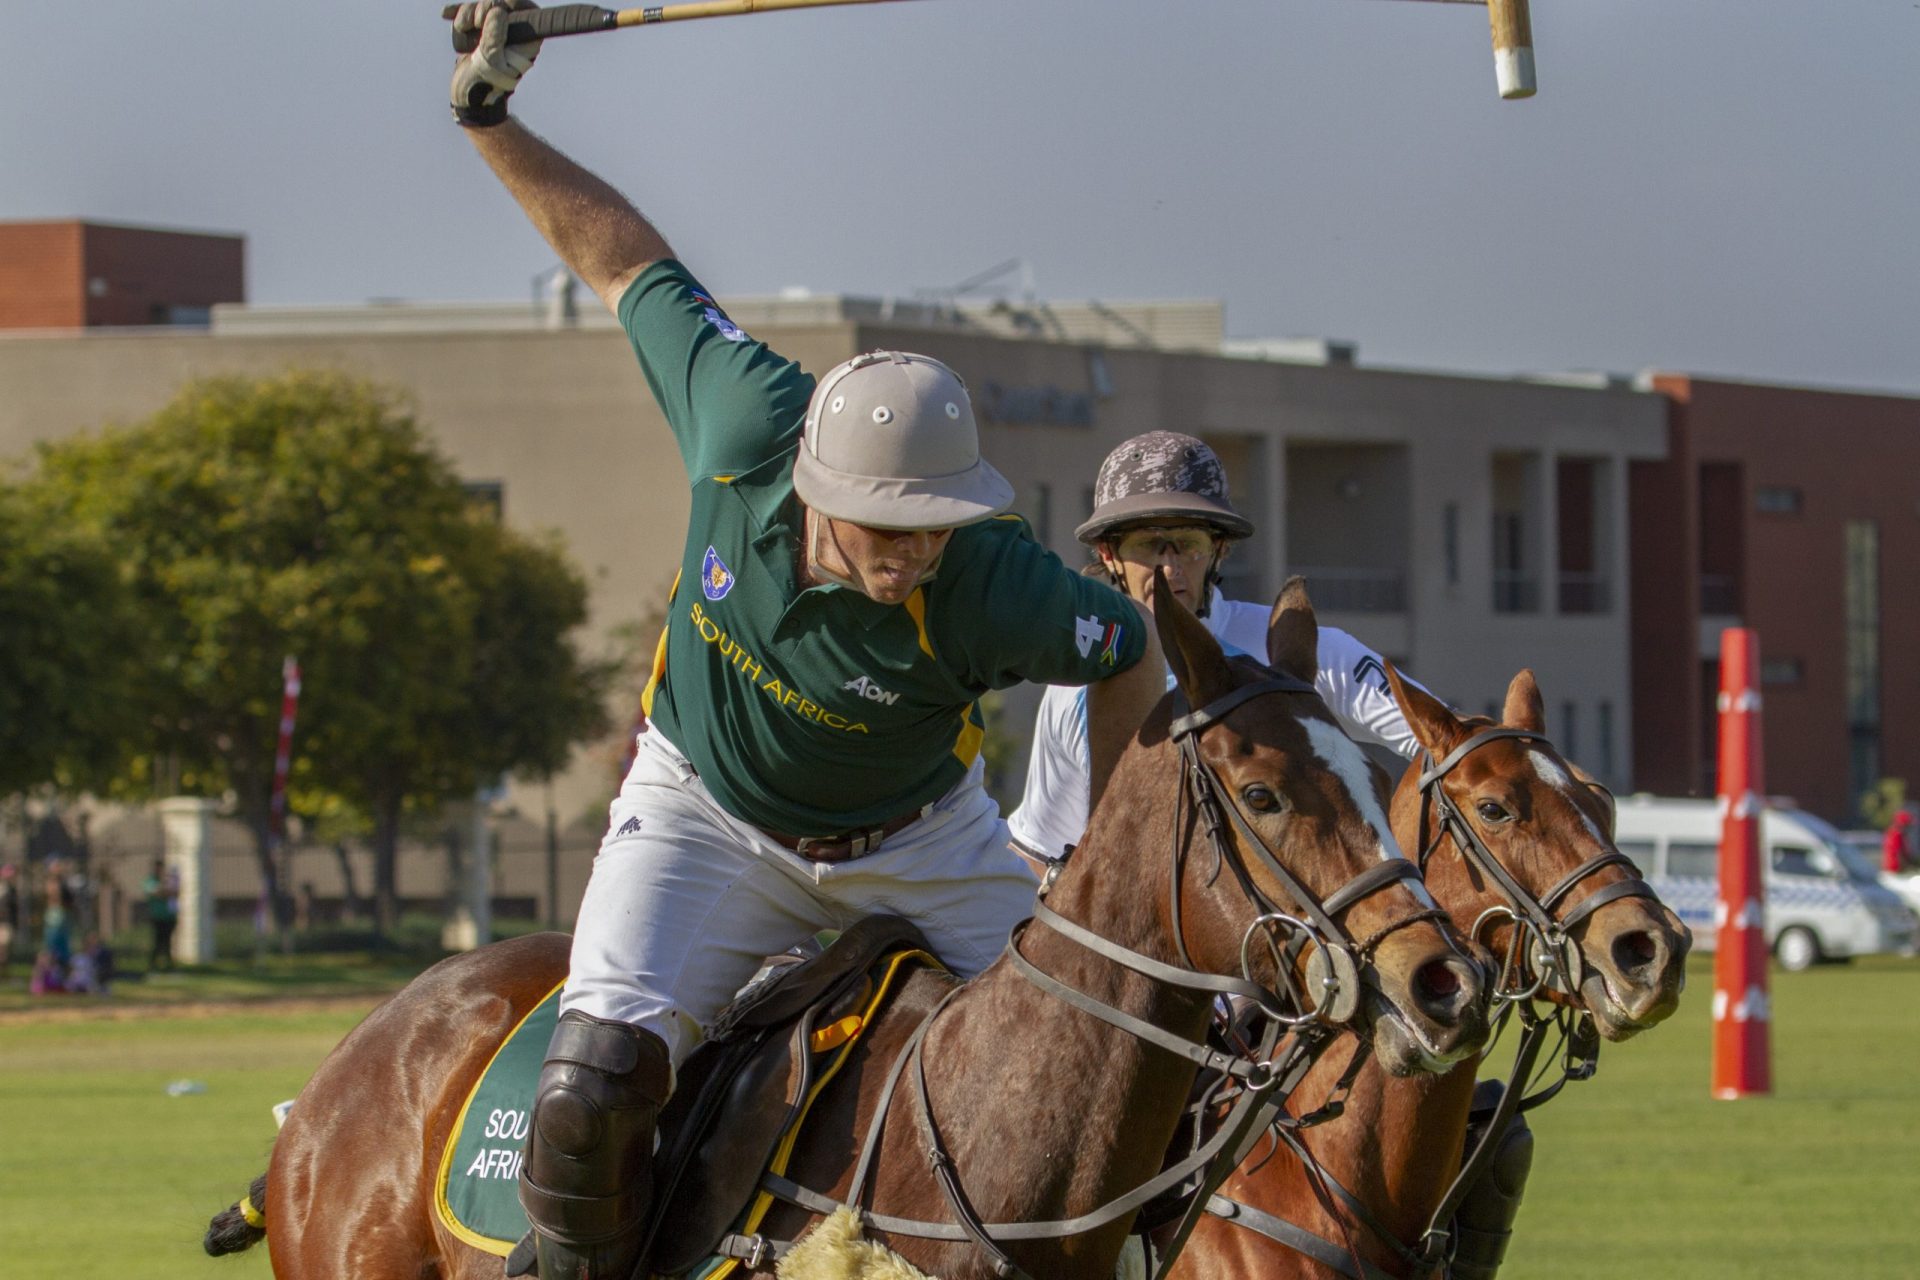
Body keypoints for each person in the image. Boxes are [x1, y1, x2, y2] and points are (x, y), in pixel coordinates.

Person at [447, 7, 1165, 1276]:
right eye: (887, 529)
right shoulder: (740, 417)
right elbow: (616, 259)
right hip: (704, 815)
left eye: (936, 528)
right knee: (588, 1091)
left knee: (1119, 1052)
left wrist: (1103, 855)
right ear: (815, 485)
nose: (912, 555)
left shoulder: (997, 580)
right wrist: (492, 118)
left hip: (925, 843)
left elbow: (1127, 653)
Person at [1008, 431, 1429, 867]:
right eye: (1149, 545)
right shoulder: (1073, 686)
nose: (1169, 568)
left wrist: (1399, 867)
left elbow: (1451, 749)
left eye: (1189, 544)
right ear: (1108, 554)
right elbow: (1037, 851)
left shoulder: (1306, 645)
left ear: (1219, 550)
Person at [142, 858, 178, 972]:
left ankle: (169, 966)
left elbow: (174, 892)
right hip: (157, 917)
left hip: (169, 917)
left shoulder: (169, 880)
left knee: (168, 943)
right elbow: (156, 893)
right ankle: (153, 966)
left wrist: (165, 889)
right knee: (157, 942)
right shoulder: (150, 881)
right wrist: (164, 889)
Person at [1883, 810, 1916, 875]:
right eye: (1908, 825)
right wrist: (1909, 866)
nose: (1909, 828)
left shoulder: (1897, 834)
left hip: (1895, 870)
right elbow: (1898, 854)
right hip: (1895, 871)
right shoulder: (1896, 834)